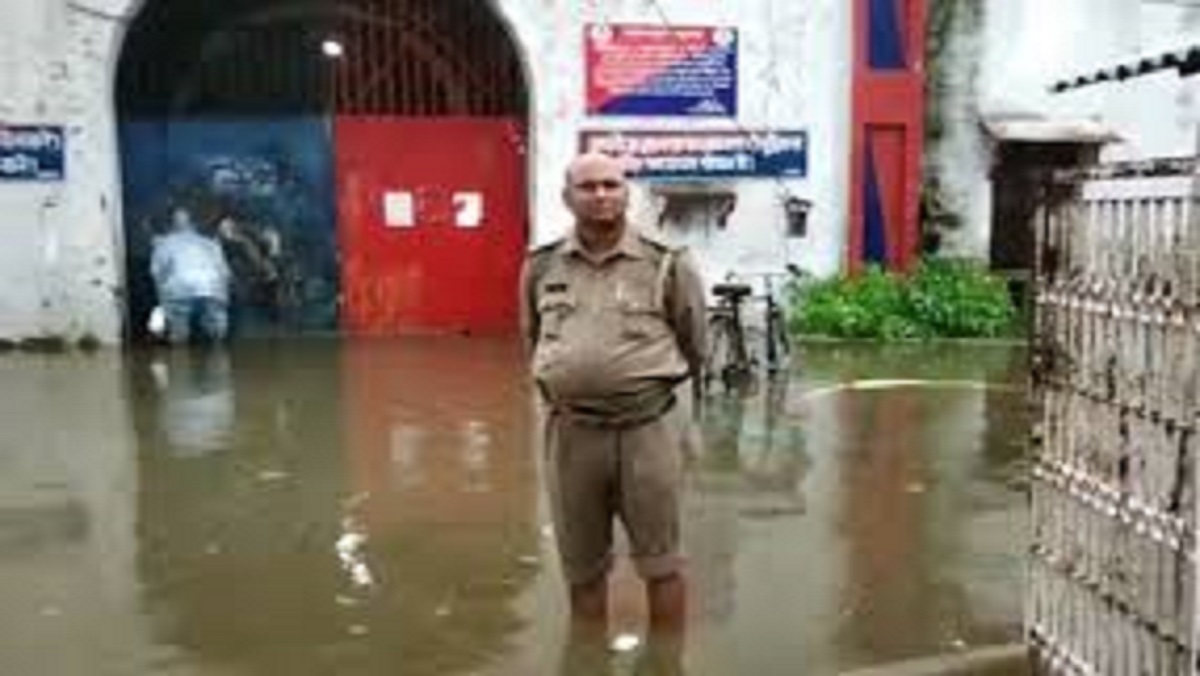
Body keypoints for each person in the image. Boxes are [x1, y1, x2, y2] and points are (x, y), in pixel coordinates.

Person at [520, 152, 708, 634]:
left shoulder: (667, 262)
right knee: (581, 567)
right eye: (588, 186)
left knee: (662, 563)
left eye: (611, 184)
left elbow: (695, 344)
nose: (601, 195)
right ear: (567, 197)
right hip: (572, 434)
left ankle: (666, 665)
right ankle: (588, 661)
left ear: (627, 192)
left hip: (647, 431)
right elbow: (533, 338)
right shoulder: (541, 266)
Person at [150, 206, 232, 345]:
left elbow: (157, 273)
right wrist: (224, 300)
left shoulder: (164, 243)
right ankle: (220, 358)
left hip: (179, 289)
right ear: (193, 223)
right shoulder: (210, 242)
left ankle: (180, 359)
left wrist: (163, 301)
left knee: (179, 335)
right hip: (212, 288)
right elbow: (225, 273)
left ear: (171, 224)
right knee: (217, 336)